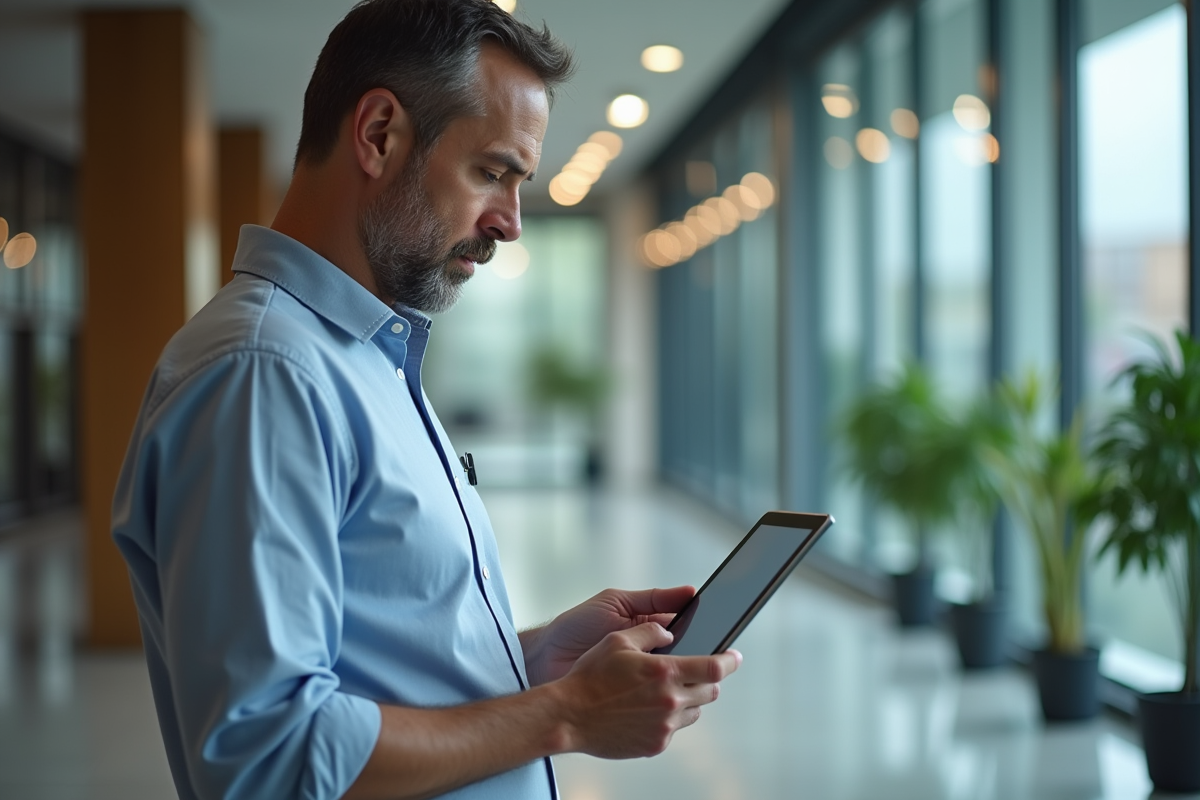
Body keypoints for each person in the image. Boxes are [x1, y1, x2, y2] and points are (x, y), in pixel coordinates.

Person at [110, 1, 741, 799]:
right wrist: (566, 715)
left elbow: (372, 655)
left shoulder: (364, 357)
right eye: (492, 172)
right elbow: (267, 755)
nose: (510, 223)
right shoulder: (265, 375)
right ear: (378, 134)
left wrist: (535, 660)